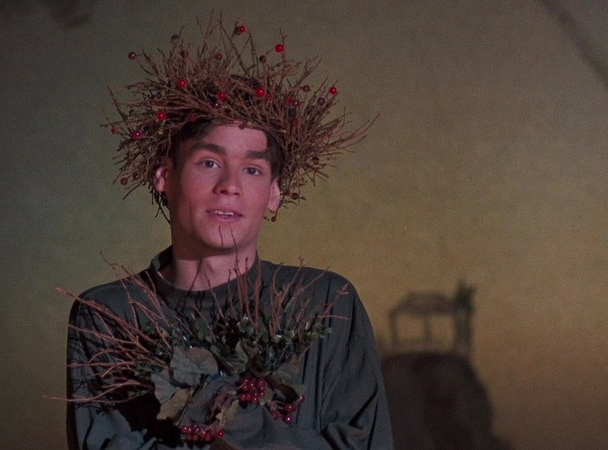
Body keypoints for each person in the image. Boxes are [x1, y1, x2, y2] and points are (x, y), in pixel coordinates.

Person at [66, 15, 393, 450]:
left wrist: (226, 413)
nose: (230, 185)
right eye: (209, 162)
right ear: (164, 175)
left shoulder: (326, 305)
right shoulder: (111, 317)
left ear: (274, 193)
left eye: (252, 169)